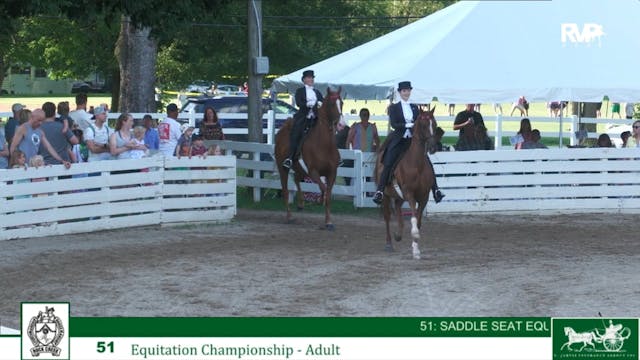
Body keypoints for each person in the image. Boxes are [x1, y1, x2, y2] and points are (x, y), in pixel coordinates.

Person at [372, 81, 444, 205]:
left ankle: (436, 190)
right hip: (399, 139)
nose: (406, 93)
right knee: (389, 161)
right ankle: (380, 191)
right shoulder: (394, 108)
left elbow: (421, 124)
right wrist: (407, 125)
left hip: (412, 141)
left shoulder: (415, 107)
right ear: (400, 93)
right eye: (404, 91)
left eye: (408, 91)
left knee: (427, 162)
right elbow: (394, 124)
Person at [282, 69, 324, 169]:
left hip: (315, 117)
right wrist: (307, 104)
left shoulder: (317, 92)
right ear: (304, 80)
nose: (311, 80)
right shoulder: (300, 91)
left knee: (328, 130)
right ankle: (290, 158)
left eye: (312, 78)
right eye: (309, 78)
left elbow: (323, 101)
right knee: (296, 133)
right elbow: (298, 103)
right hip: (304, 117)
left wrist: (320, 104)